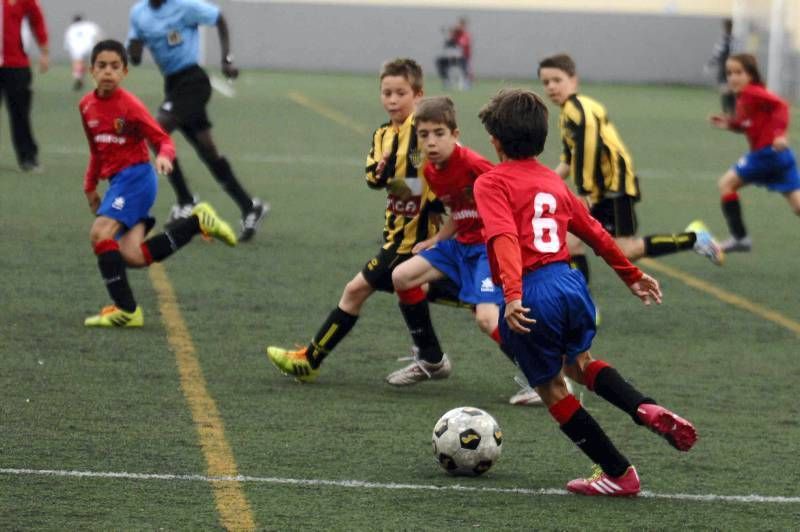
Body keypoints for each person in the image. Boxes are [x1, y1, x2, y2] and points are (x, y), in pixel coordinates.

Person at [473, 87, 697, 496]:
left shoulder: (491, 183)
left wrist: (512, 295)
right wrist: (631, 275)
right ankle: (642, 407)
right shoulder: (552, 182)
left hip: (533, 290)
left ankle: (618, 473)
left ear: (495, 141)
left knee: (553, 387)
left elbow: (504, 235)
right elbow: (596, 232)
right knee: (579, 363)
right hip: (570, 283)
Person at [266, 59, 452, 383]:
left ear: (418, 95)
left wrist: (404, 186)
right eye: (386, 93)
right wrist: (380, 174)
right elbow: (371, 177)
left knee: (355, 290)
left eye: (400, 93)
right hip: (395, 233)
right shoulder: (383, 133)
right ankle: (432, 358)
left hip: (412, 240)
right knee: (428, 291)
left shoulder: (424, 133)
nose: (392, 100)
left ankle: (310, 360)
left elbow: (427, 189)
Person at [80, 39, 237, 327]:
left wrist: (165, 157)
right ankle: (197, 222)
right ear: (91, 70)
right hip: (118, 182)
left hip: (137, 178)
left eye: (115, 66)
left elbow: (162, 138)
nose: (108, 72)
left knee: (100, 232)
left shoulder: (130, 106)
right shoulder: (86, 106)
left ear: (125, 72)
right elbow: (96, 150)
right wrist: (90, 186)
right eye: (102, 66)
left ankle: (126, 311)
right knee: (132, 255)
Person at [537, 53, 724, 287]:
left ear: (574, 80)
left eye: (557, 79)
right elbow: (568, 159)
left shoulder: (579, 108)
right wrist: (539, 186)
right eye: (546, 82)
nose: (551, 86)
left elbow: (589, 148)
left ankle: (694, 238)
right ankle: (581, 305)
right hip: (599, 188)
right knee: (571, 241)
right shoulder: (567, 114)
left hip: (613, 186)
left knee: (626, 251)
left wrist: (584, 193)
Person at [386, 96, 506, 385]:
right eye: (424, 135)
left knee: (486, 319)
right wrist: (437, 239)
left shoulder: (474, 164)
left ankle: (546, 377)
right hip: (460, 245)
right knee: (401, 277)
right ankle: (430, 358)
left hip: (487, 248)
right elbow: (459, 210)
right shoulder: (430, 170)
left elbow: (509, 196)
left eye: (439, 134)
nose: (431, 143)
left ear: (455, 135)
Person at [127, 0, 268, 242]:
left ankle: (185, 200)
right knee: (208, 151)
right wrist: (134, 49)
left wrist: (227, 58)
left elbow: (219, 18)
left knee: (156, 131)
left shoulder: (184, 6)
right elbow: (136, 55)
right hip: (172, 85)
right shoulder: (139, 13)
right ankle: (250, 206)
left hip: (193, 81)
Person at [710, 53, 800, 252]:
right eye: (729, 73)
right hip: (780, 157)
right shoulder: (745, 97)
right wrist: (729, 124)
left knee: (726, 184)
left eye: (739, 72)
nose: (733, 77)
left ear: (750, 75)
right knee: (798, 206)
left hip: (766, 154)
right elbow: (748, 124)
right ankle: (739, 238)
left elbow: (782, 106)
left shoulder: (752, 92)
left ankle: (739, 238)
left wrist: (779, 134)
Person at [0, 0, 49, 172]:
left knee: (20, 113)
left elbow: (37, 20)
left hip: (16, 64)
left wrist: (44, 51)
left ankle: (28, 157)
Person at [64, 14, 102, 92]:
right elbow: (98, 36)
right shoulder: (90, 25)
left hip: (77, 48)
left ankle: (78, 77)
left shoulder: (71, 29)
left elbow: (67, 44)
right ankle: (97, 82)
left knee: (78, 63)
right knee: (94, 64)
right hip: (90, 46)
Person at [707, 18, 735, 115]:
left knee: (725, 89)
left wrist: (710, 63)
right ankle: (732, 111)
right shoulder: (734, 39)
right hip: (734, 66)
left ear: (724, 27)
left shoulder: (725, 40)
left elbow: (718, 53)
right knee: (731, 88)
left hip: (725, 66)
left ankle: (725, 111)